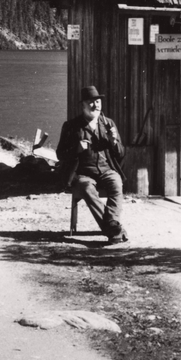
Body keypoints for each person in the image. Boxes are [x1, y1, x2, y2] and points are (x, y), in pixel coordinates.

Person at [56, 85, 127, 244]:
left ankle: (112, 225)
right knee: (86, 189)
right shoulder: (71, 126)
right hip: (82, 173)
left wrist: (113, 142)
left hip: (107, 170)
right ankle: (114, 230)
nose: (95, 105)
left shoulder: (108, 124)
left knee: (116, 183)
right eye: (91, 102)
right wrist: (77, 149)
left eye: (98, 102)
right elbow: (60, 154)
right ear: (83, 105)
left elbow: (121, 153)